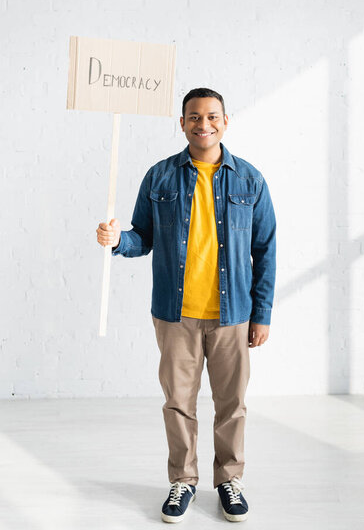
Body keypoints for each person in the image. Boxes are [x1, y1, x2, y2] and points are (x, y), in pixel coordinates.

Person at [96, 87, 276, 523]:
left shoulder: (250, 180)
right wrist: (119, 239)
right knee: (178, 402)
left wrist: (261, 313)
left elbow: (265, 249)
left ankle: (229, 480)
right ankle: (183, 480)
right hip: (175, 315)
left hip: (232, 315)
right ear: (182, 123)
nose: (204, 124)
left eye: (212, 116)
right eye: (194, 117)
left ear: (225, 121)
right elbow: (144, 237)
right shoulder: (159, 177)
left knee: (232, 402)